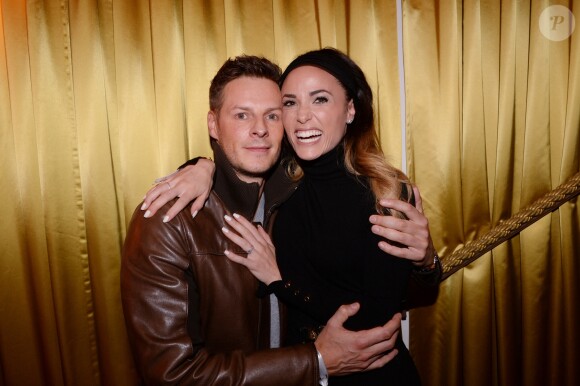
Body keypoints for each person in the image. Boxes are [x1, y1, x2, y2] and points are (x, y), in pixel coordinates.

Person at [141, 49, 442, 385]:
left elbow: (381, 315)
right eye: (289, 104)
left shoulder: (384, 192)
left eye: (320, 100)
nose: (301, 117)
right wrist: (201, 167)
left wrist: (428, 262)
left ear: (350, 109)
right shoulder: (288, 181)